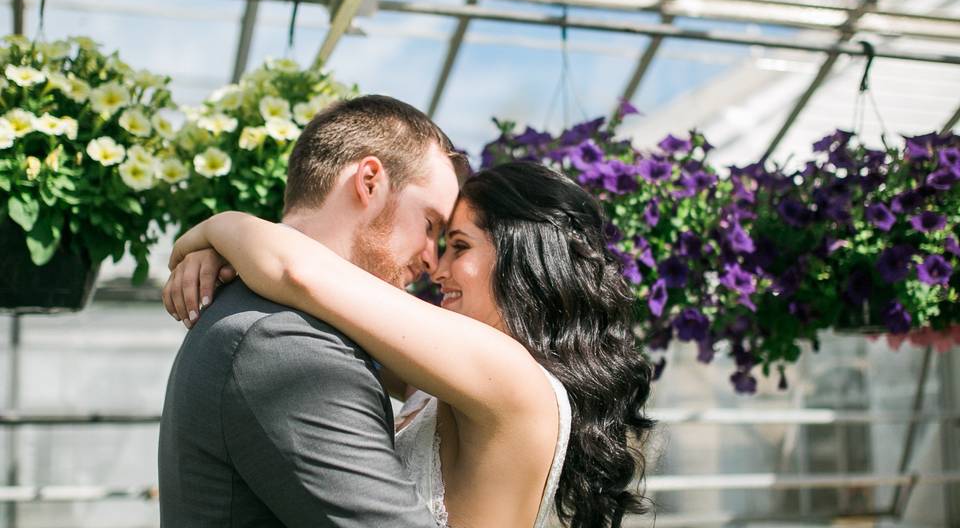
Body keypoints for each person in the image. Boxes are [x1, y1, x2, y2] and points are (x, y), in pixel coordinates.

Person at [165, 161, 656, 528]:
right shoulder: (459, 382)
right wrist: (224, 258)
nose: (437, 270)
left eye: (459, 246)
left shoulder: (509, 374)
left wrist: (216, 227)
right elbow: (334, 323)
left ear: (527, 262)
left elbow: (299, 273)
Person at [157, 94, 469, 527]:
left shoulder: (274, 314)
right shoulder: (285, 344)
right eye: (430, 225)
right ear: (370, 180)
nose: (432, 261)